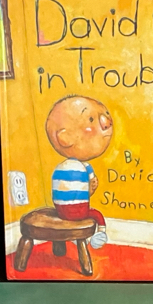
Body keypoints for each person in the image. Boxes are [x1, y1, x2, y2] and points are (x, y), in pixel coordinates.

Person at [44, 95, 114, 249]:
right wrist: (90, 188)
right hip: (80, 211)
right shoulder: (85, 168)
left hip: (62, 211)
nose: (106, 122)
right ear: (65, 138)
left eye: (105, 114)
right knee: (97, 216)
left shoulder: (59, 169)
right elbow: (86, 192)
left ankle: (82, 239)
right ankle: (100, 233)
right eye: (91, 119)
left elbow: (64, 193)